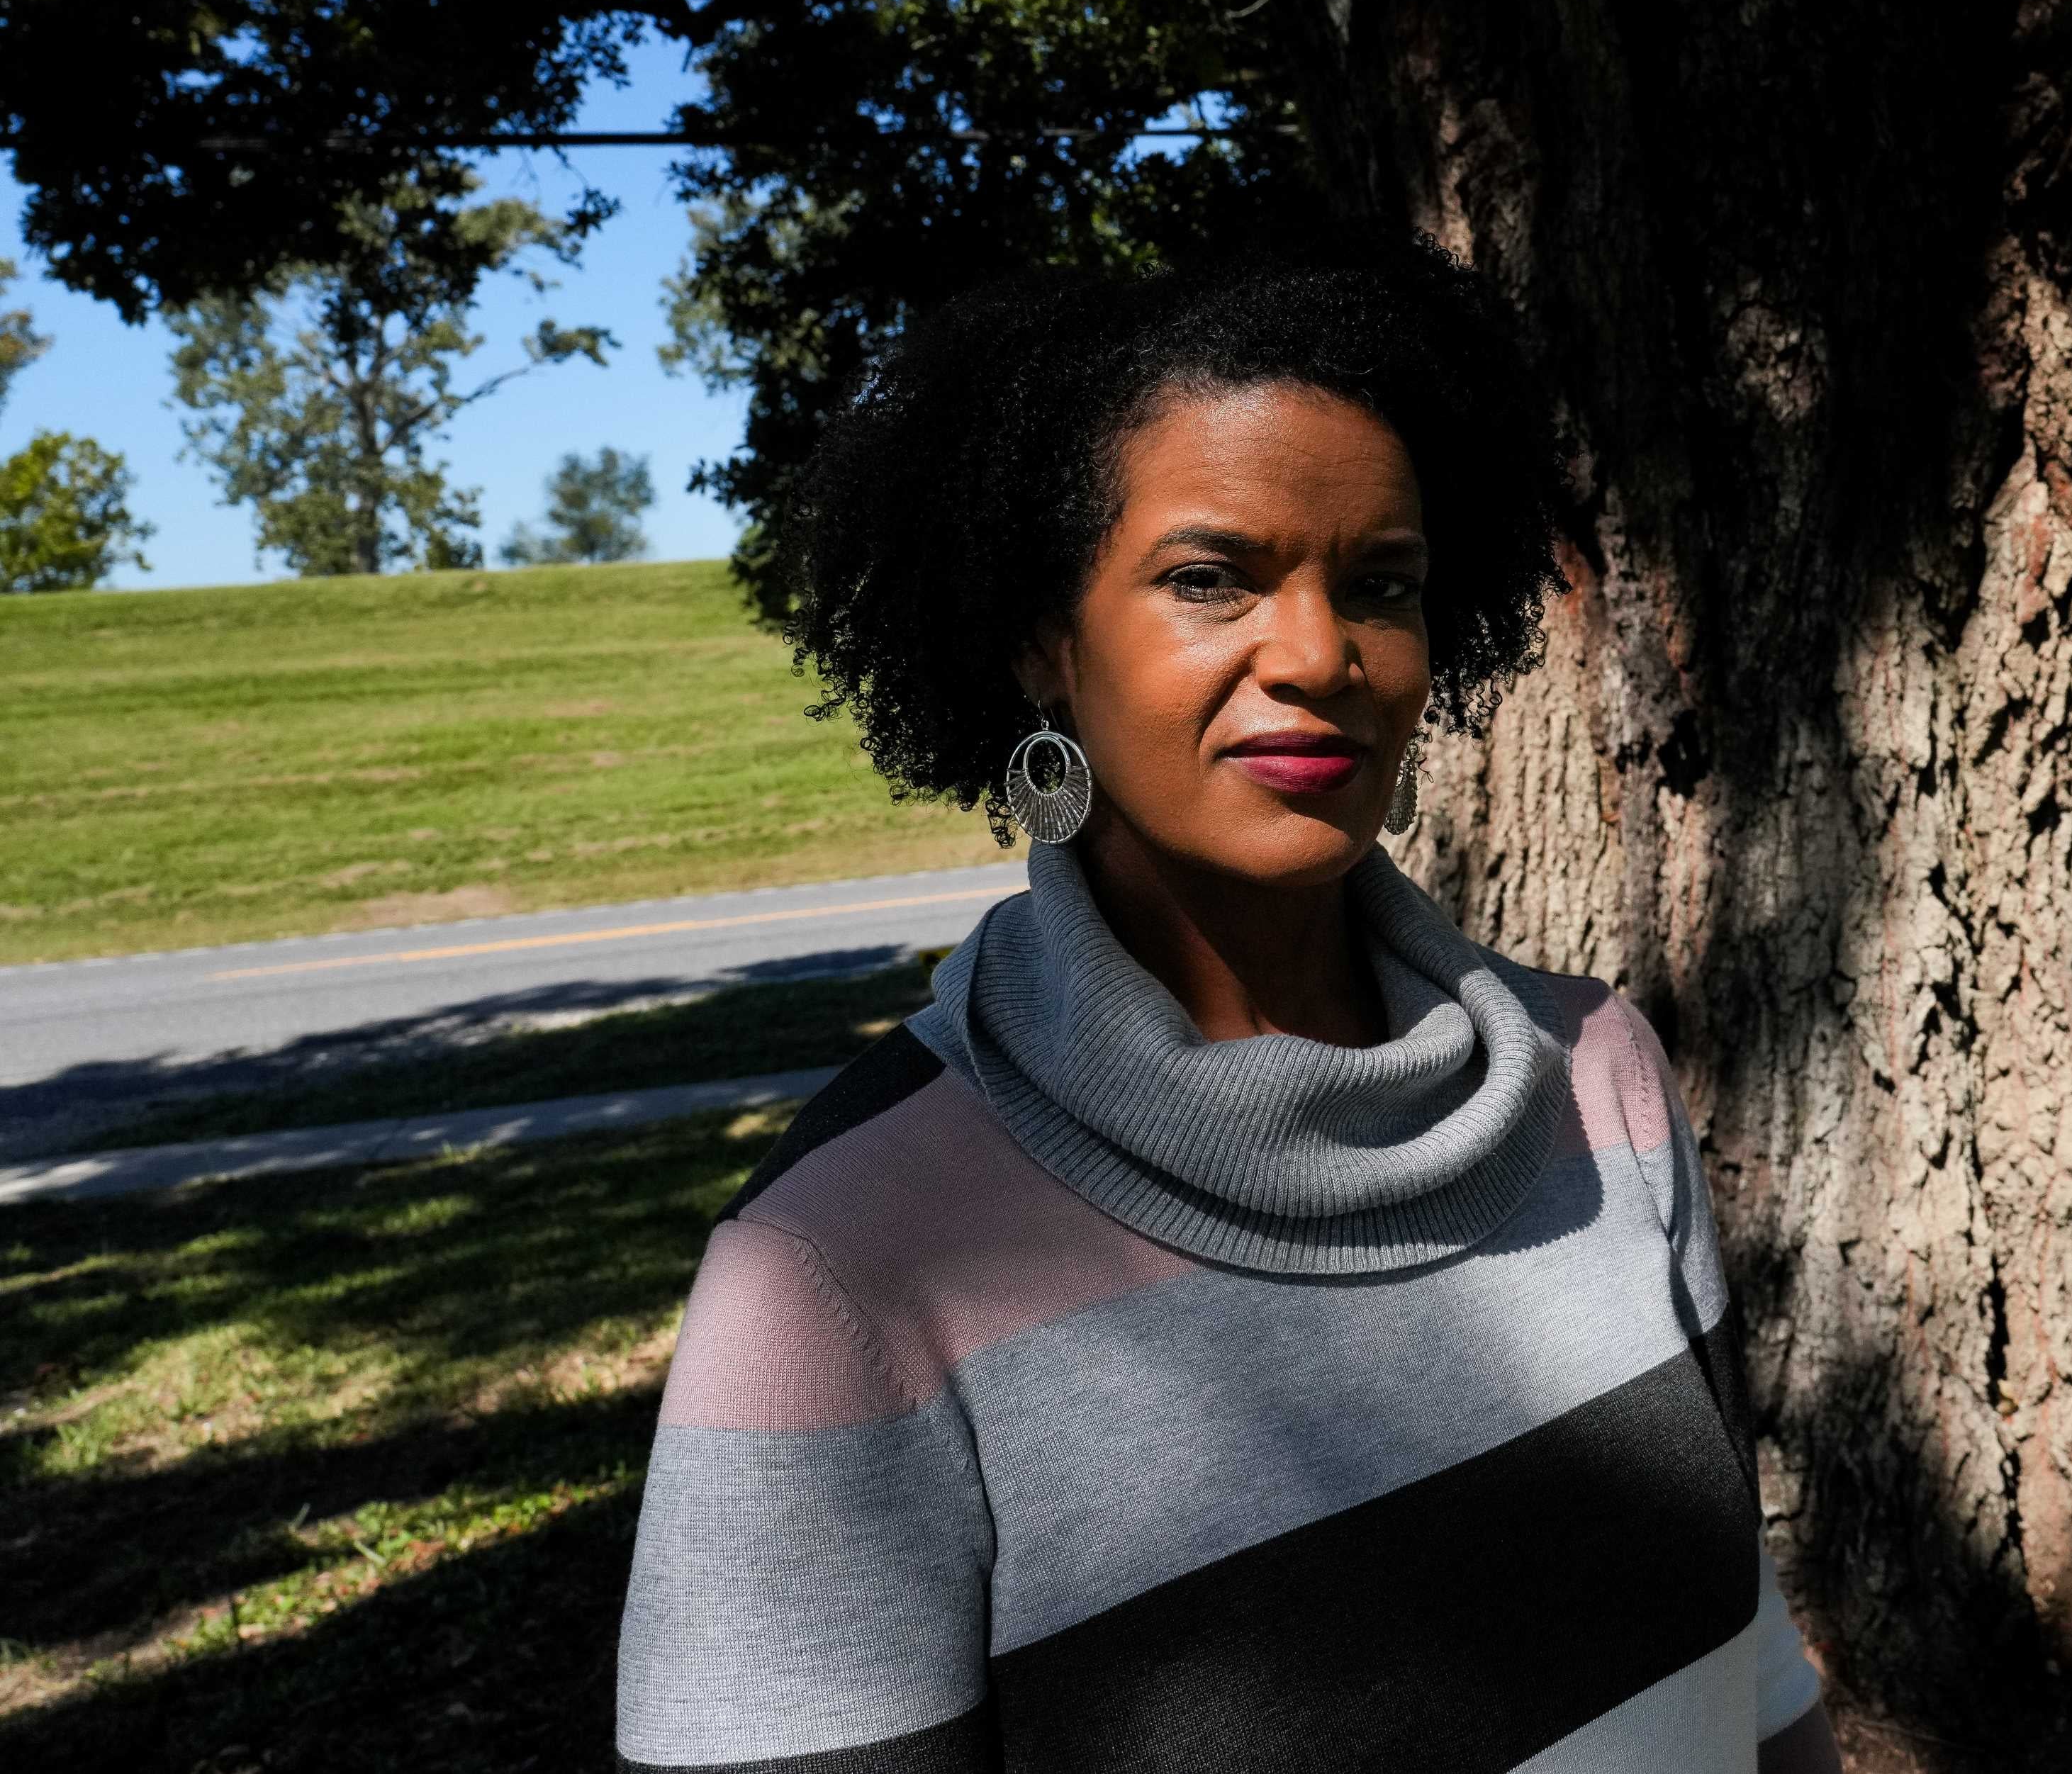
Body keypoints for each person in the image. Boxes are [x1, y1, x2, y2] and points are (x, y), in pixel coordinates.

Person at [615, 251, 1839, 1774]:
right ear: (1041, 641)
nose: (1321, 653)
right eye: (1211, 578)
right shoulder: (839, 1266)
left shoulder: (1601, 1079)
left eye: (1381, 583)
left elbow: (1743, 1654)